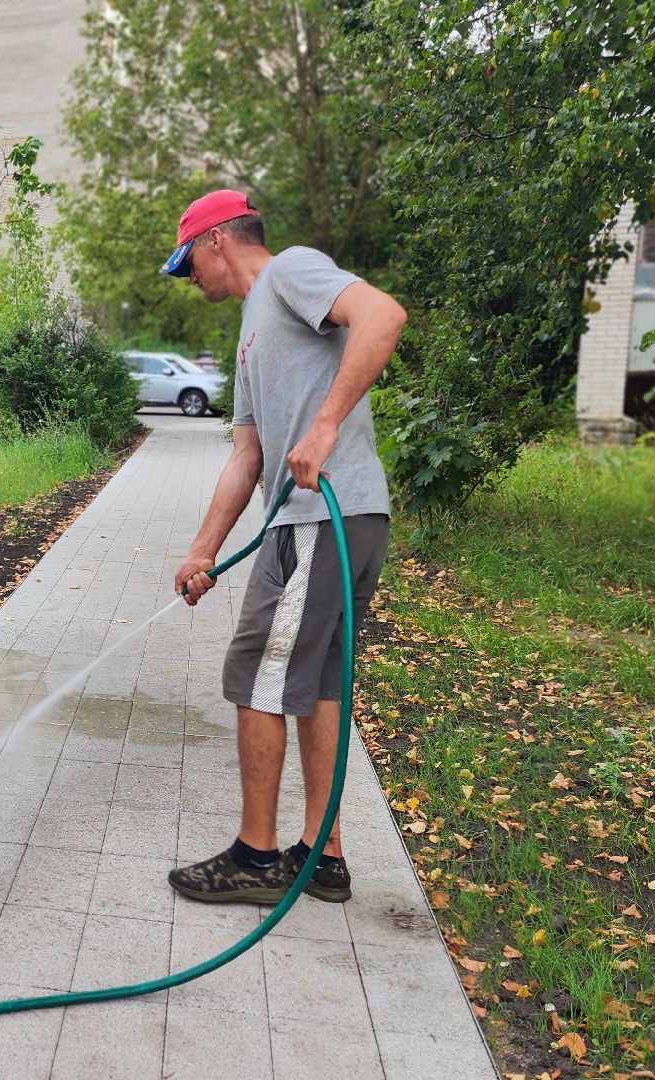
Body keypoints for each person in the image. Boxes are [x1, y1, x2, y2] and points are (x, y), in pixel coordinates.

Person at [159, 189, 406, 904]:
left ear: (216, 241)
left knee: (256, 671)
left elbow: (383, 315)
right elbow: (247, 457)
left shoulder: (289, 272)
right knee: (316, 683)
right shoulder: (250, 333)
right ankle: (322, 856)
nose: (191, 281)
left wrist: (326, 424)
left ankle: (256, 858)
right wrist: (201, 550)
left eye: (188, 265)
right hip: (337, 519)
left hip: (320, 518)